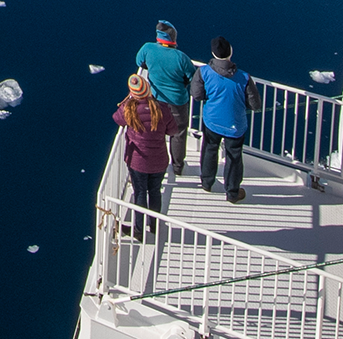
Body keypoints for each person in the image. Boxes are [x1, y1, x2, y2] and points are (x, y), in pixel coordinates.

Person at [191, 36, 261, 202]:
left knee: (209, 149)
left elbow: (197, 95)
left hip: (212, 121)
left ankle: (207, 183)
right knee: (234, 157)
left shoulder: (203, 72)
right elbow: (255, 104)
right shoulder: (244, 77)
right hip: (235, 125)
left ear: (213, 54)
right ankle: (232, 192)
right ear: (230, 53)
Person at [112, 74, 181, 240]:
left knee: (140, 193)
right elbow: (173, 130)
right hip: (159, 160)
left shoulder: (129, 109)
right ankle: (155, 225)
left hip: (138, 161)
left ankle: (138, 230)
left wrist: (126, 101)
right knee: (155, 191)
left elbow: (117, 119)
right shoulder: (162, 108)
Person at [135, 19, 196, 175]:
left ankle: (158, 163)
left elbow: (139, 62)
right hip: (177, 102)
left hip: (156, 100)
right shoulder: (181, 57)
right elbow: (192, 77)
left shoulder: (147, 48)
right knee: (178, 133)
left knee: (157, 131)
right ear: (173, 38)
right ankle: (177, 167)